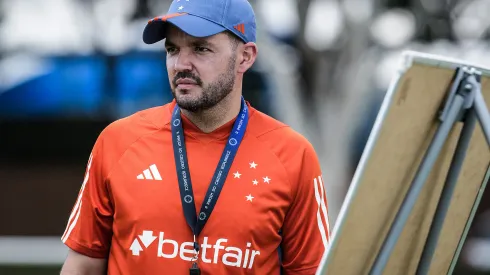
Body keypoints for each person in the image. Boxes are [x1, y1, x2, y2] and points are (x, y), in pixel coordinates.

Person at [59, 0, 330, 274]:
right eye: (172, 49)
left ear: (245, 57)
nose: (180, 64)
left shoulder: (293, 155)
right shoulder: (118, 141)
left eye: (201, 49)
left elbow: (316, 270)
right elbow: (83, 265)